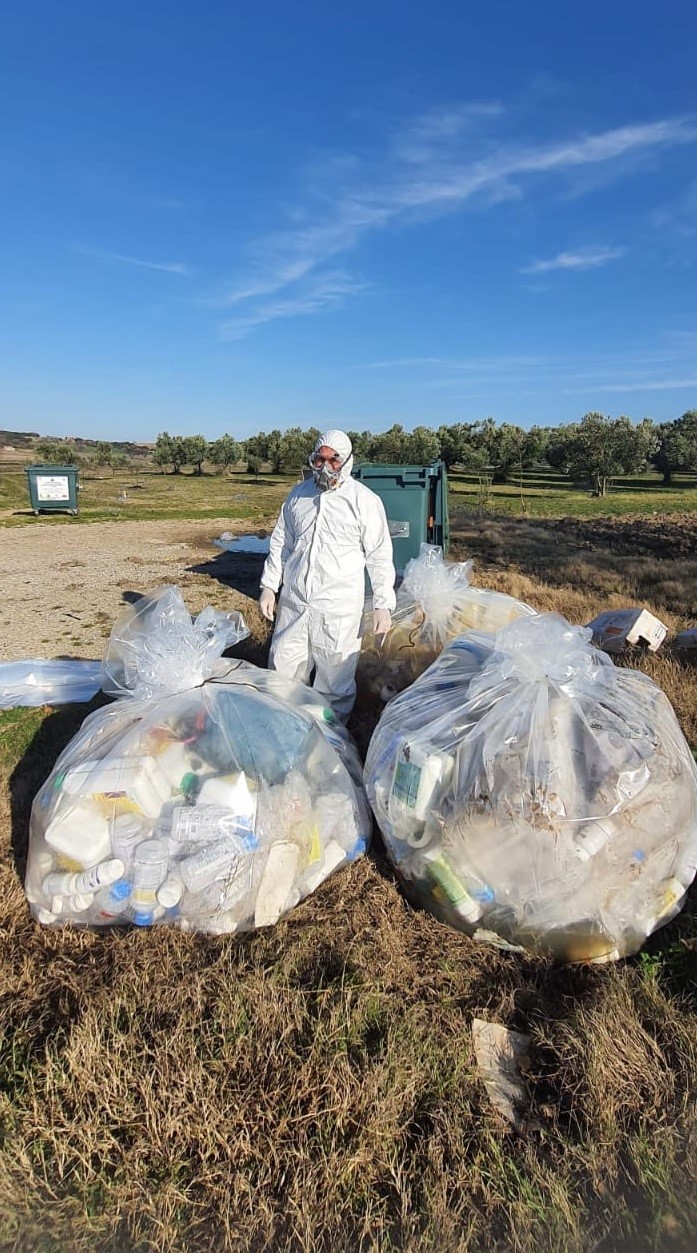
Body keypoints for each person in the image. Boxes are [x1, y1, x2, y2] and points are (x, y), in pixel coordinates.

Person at [258, 429, 396, 721]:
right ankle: (285, 726)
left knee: (334, 680)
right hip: (296, 600)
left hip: (338, 606)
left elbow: (380, 554)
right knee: (283, 667)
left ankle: (332, 743)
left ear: (346, 462)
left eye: (333, 460)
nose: (324, 467)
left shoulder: (363, 501)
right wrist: (270, 586)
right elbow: (282, 543)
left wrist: (383, 603)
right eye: (319, 459)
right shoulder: (298, 496)